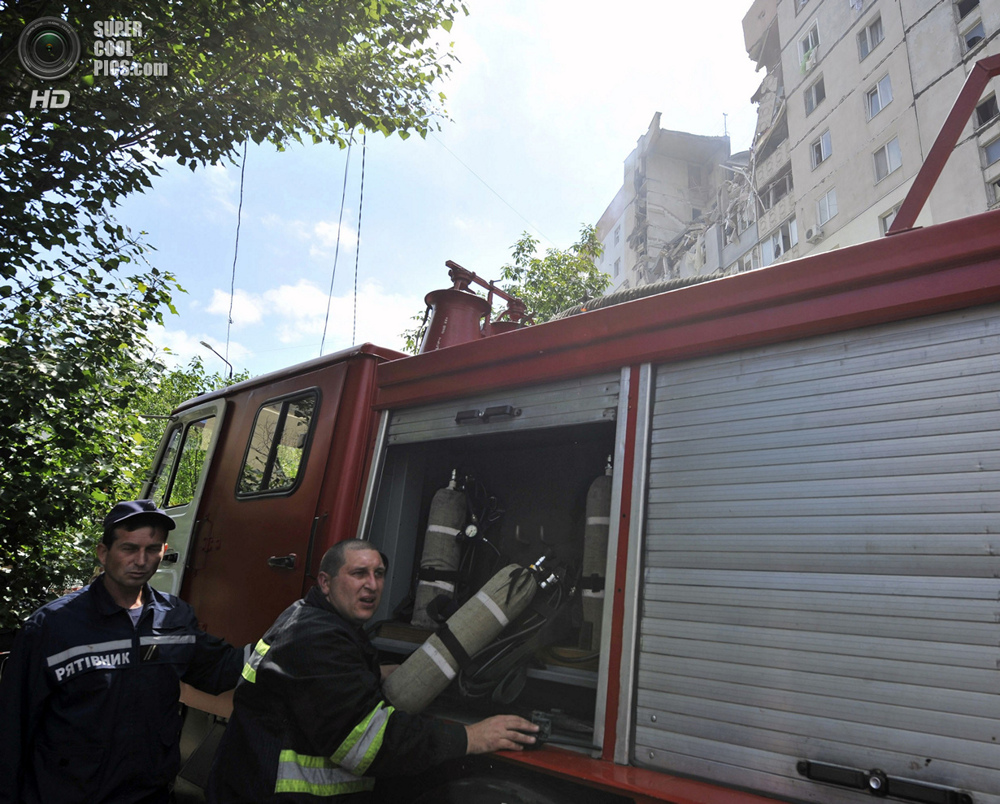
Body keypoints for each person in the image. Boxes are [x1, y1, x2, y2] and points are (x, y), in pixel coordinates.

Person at [207, 539, 539, 802]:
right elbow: (366, 744)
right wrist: (471, 737)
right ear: (325, 581)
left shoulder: (308, 616)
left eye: (379, 574)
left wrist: (371, 673)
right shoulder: (318, 637)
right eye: (358, 574)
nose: (372, 585)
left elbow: (313, 686)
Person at [0, 499, 246, 804]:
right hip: (68, 795)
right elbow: (13, 726)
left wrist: (288, 636)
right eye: (129, 548)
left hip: (148, 794)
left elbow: (219, 670)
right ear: (104, 553)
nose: (141, 561)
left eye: (152, 549)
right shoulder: (52, 627)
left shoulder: (175, 619)